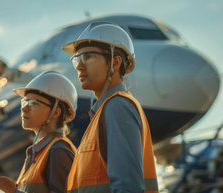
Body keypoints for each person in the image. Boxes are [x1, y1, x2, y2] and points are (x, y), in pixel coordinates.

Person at [62, 22, 158, 193]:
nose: (79, 66)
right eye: (77, 58)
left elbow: (127, 188)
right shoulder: (105, 111)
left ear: (115, 62)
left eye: (88, 56)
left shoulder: (118, 107)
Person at [0, 71, 78, 193]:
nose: (24, 108)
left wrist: (14, 191)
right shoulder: (38, 153)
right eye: (25, 102)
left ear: (56, 112)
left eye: (34, 103)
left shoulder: (58, 151)